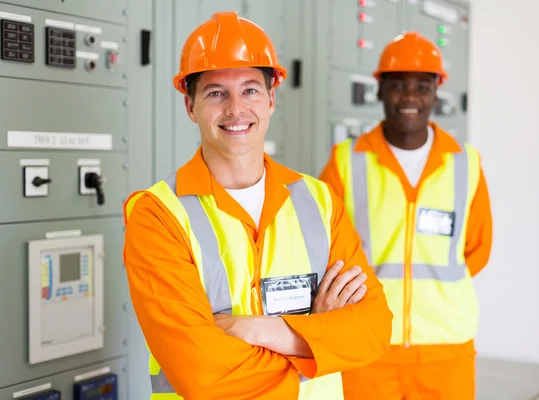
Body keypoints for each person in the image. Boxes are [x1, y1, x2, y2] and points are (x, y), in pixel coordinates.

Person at [122, 11, 392, 400]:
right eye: (216, 92)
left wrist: (268, 331)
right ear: (190, 106)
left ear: (271, 99)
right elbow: (201, 373)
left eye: (249, 90)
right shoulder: (158, 215)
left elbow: (374, 329)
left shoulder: (318, 200)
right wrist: (319, 335)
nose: (235, 109)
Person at [318, 31, 493, 399]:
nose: (410, 97)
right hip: (369, 346)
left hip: (447, 347)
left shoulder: (466, 163)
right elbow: (322, 248)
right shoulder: (346, 162)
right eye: (398, 85)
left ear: (435, 93)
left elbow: (478, 247)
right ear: (380, 91)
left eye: (422, 86)